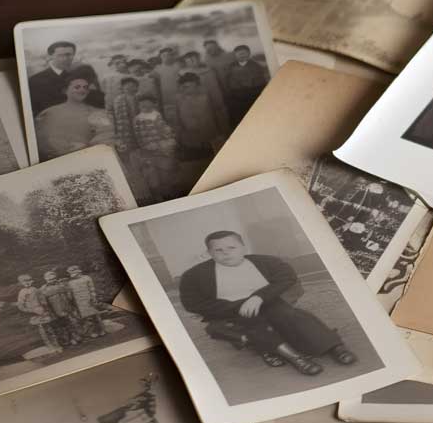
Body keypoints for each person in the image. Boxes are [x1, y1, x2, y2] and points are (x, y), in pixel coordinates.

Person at [178, 230, 358, 376]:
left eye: (231, 247)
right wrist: (237, 306)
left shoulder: (265, 261)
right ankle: (296, 357)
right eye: (218, 250)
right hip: (229, 311)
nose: (226, 253)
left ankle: (333, 346)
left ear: (242, 247)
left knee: (290, 316)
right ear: (209, 253)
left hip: (268, 302)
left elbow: (286, 277)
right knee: (255, 326)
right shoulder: (193, 276)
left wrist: (259, 297)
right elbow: (192, 303)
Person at [34, 74, 102, 160]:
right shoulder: (50, 113)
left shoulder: (96, 112)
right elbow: (42, 141)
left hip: (89, 157)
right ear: (65, 90)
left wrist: (87, 147)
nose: (82, 90)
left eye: (85, 87)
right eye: (77, 87)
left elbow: (105, 136)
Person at [28, 41, 102, 111]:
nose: (65, 59)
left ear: (73, 55)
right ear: (50, 56)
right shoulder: (35, 80)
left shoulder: (80, 76)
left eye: (68, 55)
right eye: (60, 55)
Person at [131, 95, 178, 202]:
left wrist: (168, 139)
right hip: (147, 148)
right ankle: (157, 194)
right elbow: (138, 135)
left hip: (162, 147)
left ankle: (167, 192)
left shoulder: (157, 115)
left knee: (165, 170)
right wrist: (146, 145)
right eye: (142, 105)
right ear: (139, 106)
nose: (146, 107)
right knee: (151, 173)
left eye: (148, 105)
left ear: (153, 105)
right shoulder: (138, 119)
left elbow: (164, 129)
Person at [173, 71, 230, 156]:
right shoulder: (179, 99)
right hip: (190, 139)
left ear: (197, 85)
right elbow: (178, 119)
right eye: (183, 87)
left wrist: (223, 132)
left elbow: (219, 114)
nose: (185, 89)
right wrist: (179, 137)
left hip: (210, 137)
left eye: (188, 86)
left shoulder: (207, 96)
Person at [222, 44, 270, 123]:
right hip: (237, 98)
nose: (241, 55)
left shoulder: (257, 66)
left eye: (244, 53)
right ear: (235, 55)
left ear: (249, 53)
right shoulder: (230, 67)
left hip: (253, 96)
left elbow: (262, 84)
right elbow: (227, 82)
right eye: (239, 54)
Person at [16, 274, 61, 352]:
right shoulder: (22, 292)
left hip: (43, 312)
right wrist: (32, 310)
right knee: (43, 331)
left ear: (31, 281)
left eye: (29, 281)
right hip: (34, 313)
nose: (27, 283)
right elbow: (21, 306)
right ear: (21, 283)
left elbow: (43, 301)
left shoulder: (36, 289)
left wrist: (45, 309)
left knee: (50, 329)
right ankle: (50, 347)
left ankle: (57, 345)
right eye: (25, 282)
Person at [39, 270, 82, 347]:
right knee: (60, 327)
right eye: (50, 279)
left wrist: (71, 304)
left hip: (67, 308)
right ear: (45, 279)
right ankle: (66, 341)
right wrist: (50, 312)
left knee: (71, 323)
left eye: (54, 278)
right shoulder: (43, 289)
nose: (52, 280)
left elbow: (69, 295)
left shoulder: (61, 285)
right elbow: (44, 303)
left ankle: (76, 337)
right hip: (55, 311)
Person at [65, 265, 105, 339]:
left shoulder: (86, 278)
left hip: (89, 300)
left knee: (95, 316)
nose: (75, 275)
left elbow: (91, 288)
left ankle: (101, 330)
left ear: (79, 272)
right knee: (87, 318)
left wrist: (93, 297)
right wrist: (71, 300)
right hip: (79, 303)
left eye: (76, 273)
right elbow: (70, 295)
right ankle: (92, 332)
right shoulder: (70, 283)